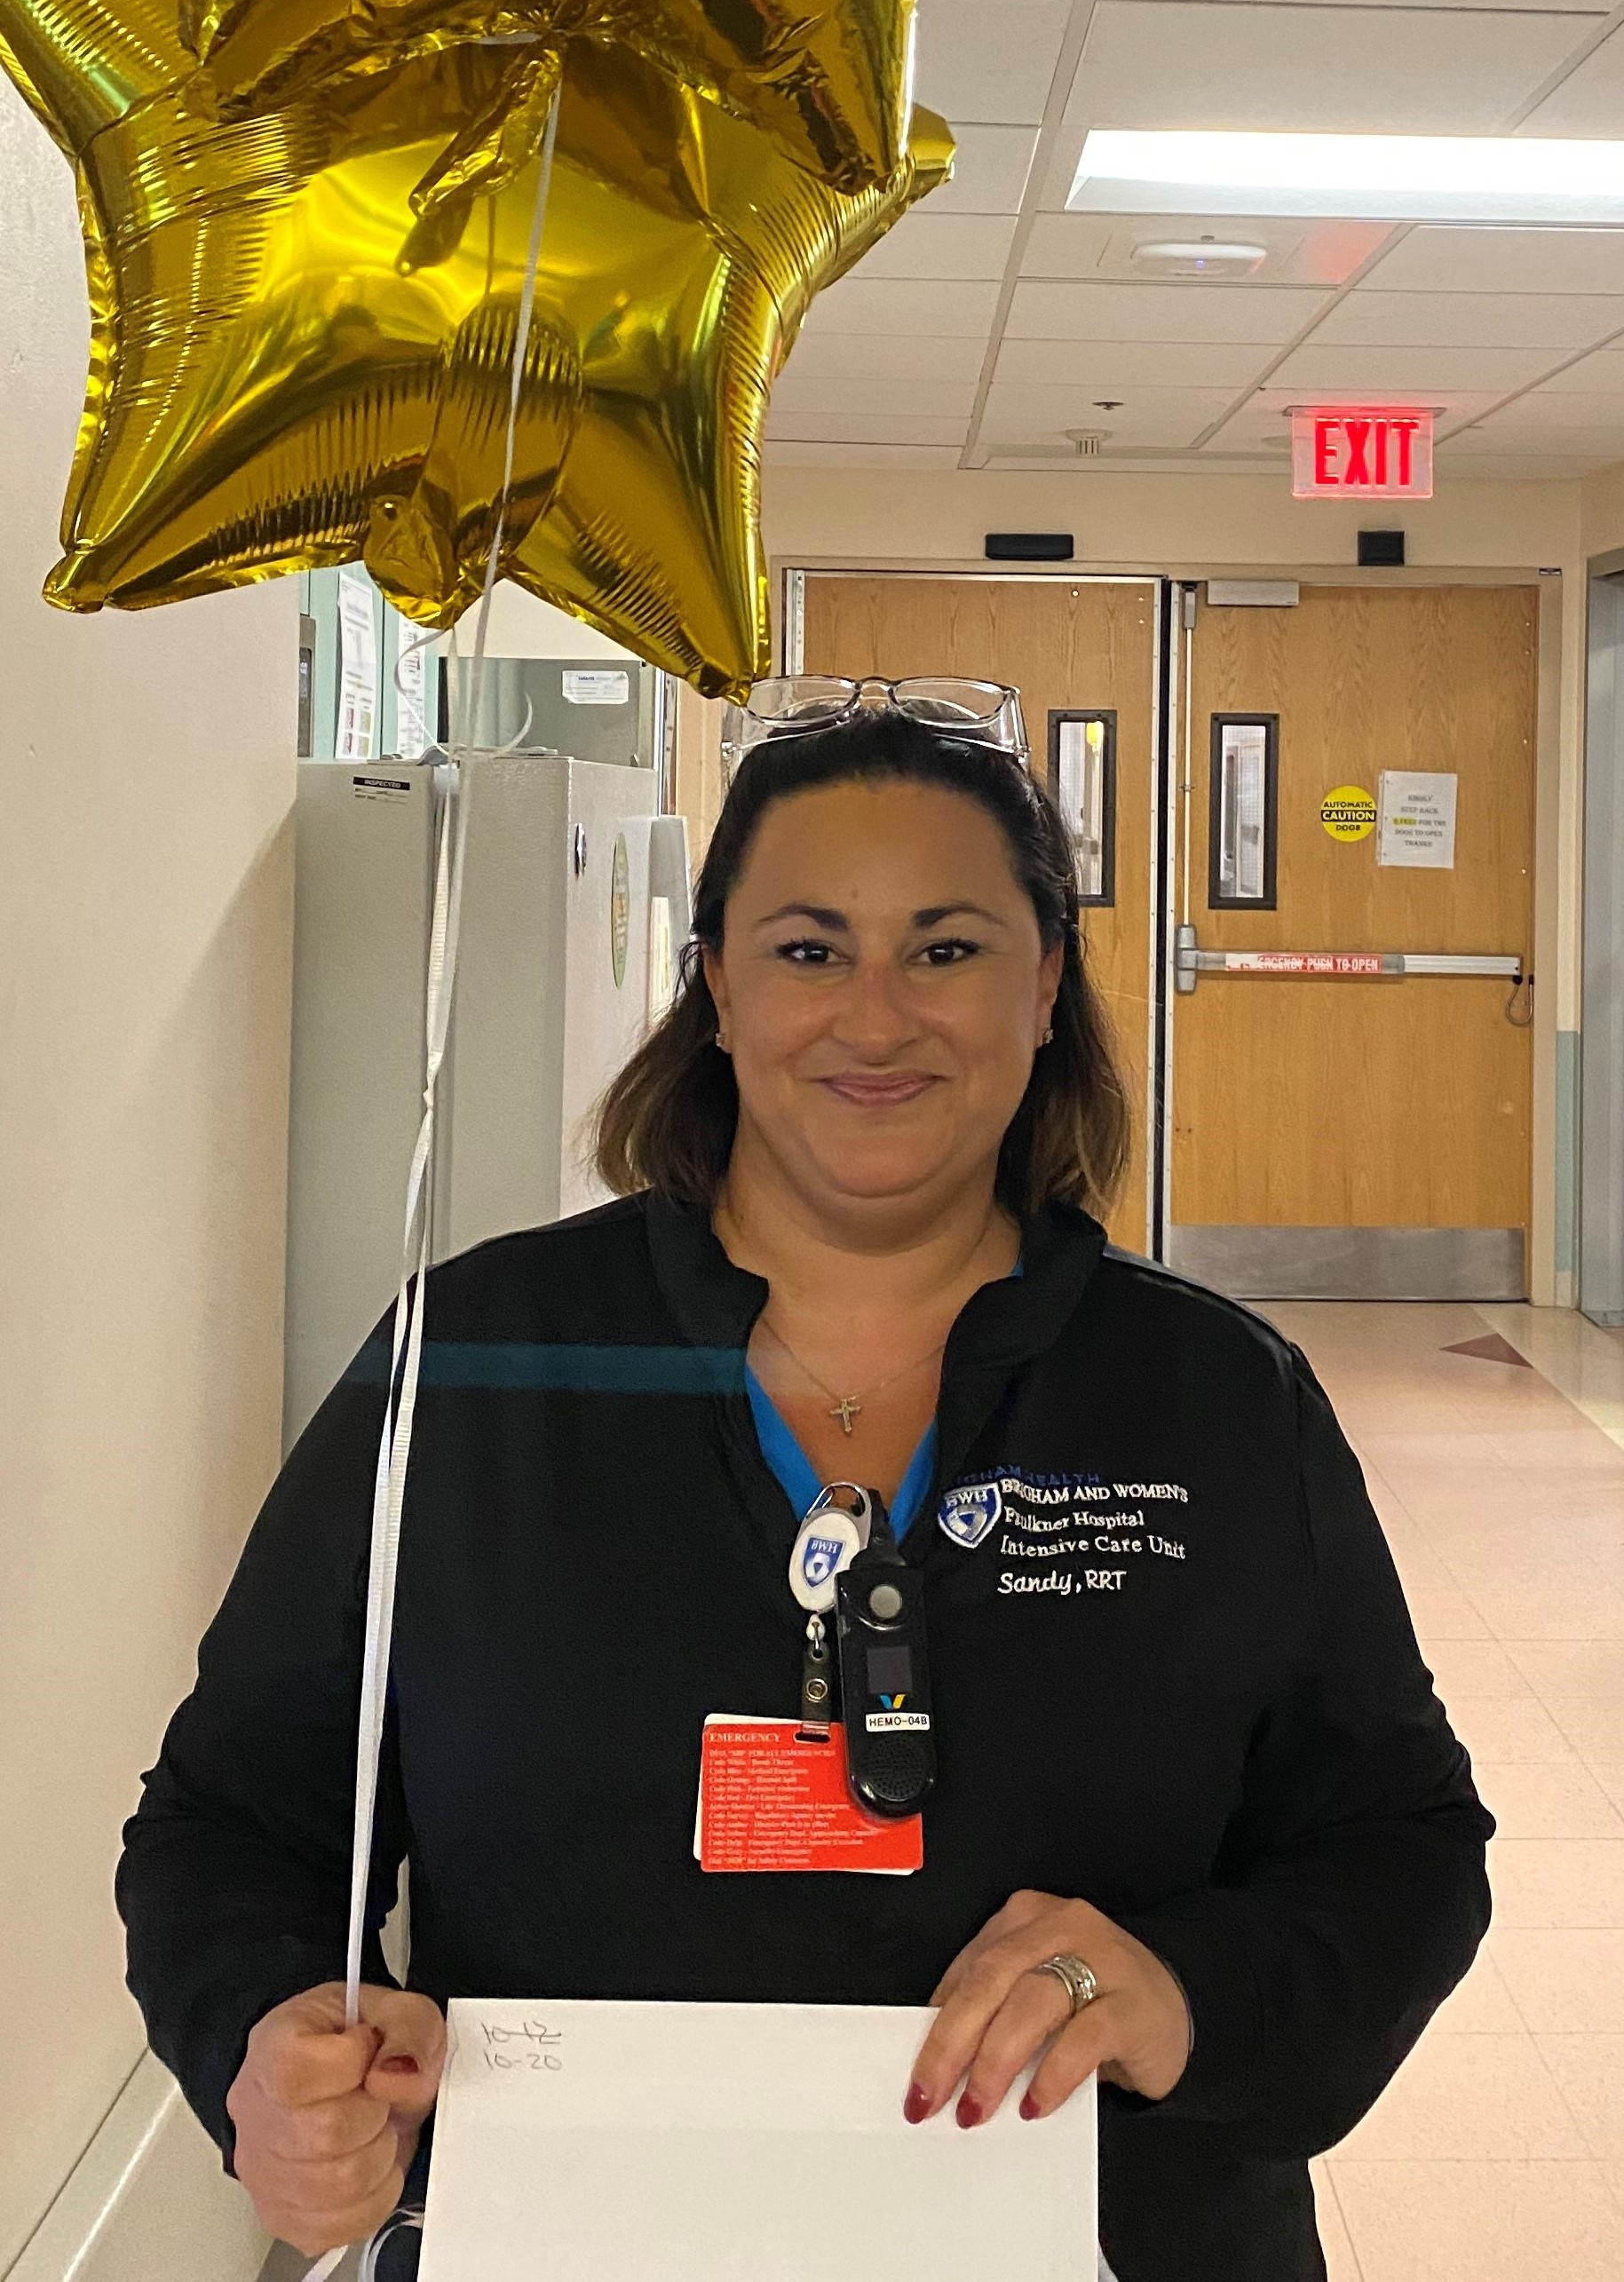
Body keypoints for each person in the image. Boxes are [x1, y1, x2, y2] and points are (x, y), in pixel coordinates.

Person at [117, 681, 1493, 2282]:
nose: (876, 1019)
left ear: (1046, 984)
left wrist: (1188, 1989)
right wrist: (265, 2041)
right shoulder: (485, 1363)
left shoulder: (1208, 1399)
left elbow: (1397, 1840)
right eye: (808, 949)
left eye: (947, 949)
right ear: (714, 985)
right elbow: (233, 1815)